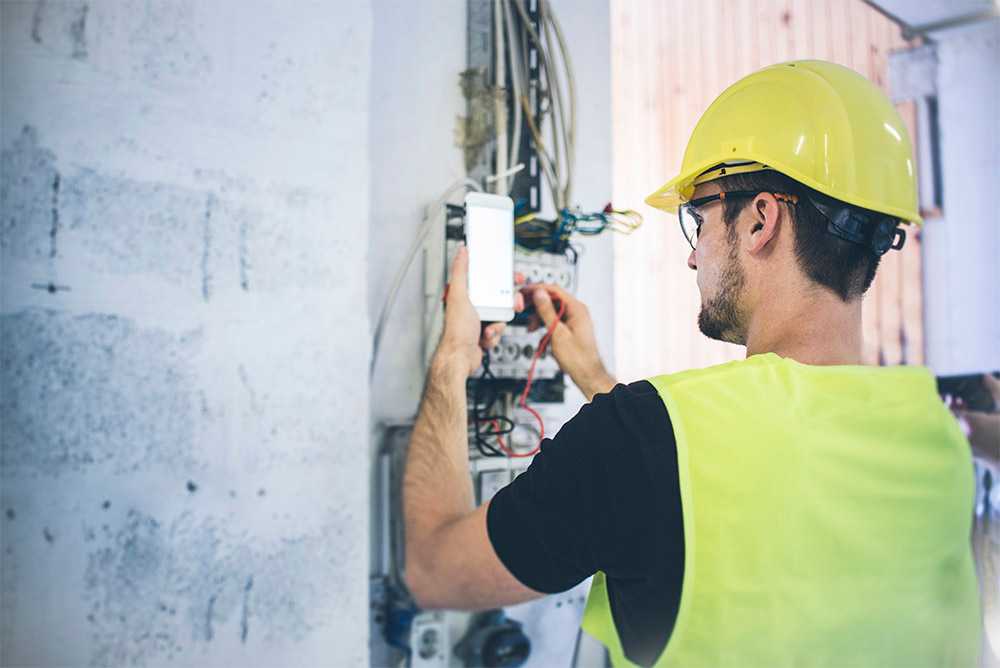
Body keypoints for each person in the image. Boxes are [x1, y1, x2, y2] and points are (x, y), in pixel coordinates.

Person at [402, 60, 981, 667]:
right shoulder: (939, 436)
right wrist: (599, 381)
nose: (691, 257)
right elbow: (749, 482)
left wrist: (451, 360)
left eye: (697, 218)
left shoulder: (642, 437)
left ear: (760, 219)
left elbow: (434, 569)